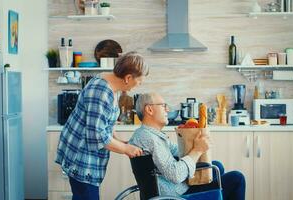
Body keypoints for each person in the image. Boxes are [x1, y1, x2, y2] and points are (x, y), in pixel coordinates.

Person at [55, 52, 149, 200]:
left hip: (86, 154)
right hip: (81, 156)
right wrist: (125, 149)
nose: (139, 85)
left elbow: (105, 121)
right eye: (140, 81)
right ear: (128, 78)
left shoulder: (111, 82)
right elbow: (96, 136)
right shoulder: (101, 92)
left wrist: (118, 140)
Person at [129, 93, 246, 200]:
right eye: (163, 106)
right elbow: (175, 174)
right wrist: (197, 150)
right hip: (176, 196)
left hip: (174, 190)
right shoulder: (149, 138)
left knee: (215, 166)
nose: (167, 109)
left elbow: (180, 153)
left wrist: (190, 139)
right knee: (237, 178)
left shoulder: (150, 135)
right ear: (149, 109)